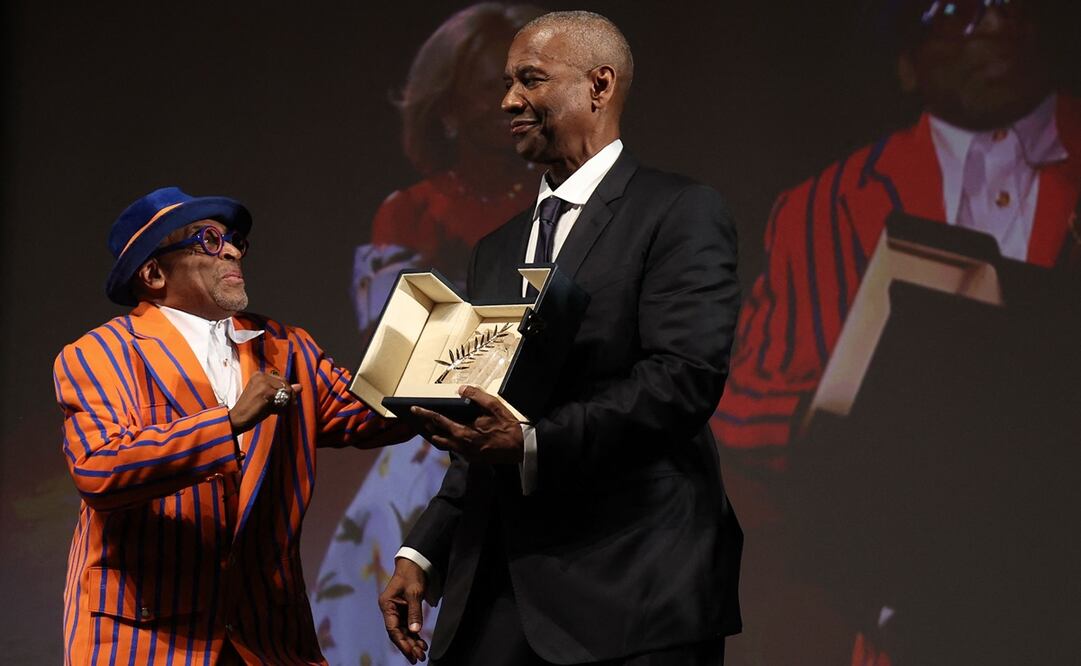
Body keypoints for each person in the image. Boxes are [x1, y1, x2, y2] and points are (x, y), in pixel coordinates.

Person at [711, 1, 1080, 663]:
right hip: (911, 614)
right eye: (956, 11)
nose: (990, 23)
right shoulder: (823, 206)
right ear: (907, 64)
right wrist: (846, 432)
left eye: (1007, 5)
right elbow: (746, 399)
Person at [378, 11, 743, 666]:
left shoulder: (677, 212)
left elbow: (682, 378)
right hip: (499, 593)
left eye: (530, 80)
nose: (507, 101)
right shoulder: (495, 250)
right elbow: (482, 415)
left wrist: (534, 443)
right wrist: (423, 550)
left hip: (634, 588)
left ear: (599, 86)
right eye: (505, 83)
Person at [54, 186, 411, 665]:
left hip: (266, 637)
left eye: (234, 239)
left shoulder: (286, 347)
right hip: (145, 637)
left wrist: (456, 361)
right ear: (153, 272)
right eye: (205, 238)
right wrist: (228, 422)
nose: (230, 249)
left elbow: (371, 414)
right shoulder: (102, 353)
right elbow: (100, 468)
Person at [312, 5, 545, 664]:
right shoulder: (408, 211)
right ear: (446, 107)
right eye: (488, 82)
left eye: (522, 77)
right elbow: (405, 356)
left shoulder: (565, 202)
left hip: (543, 444)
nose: (511, 98)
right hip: (430, 457)